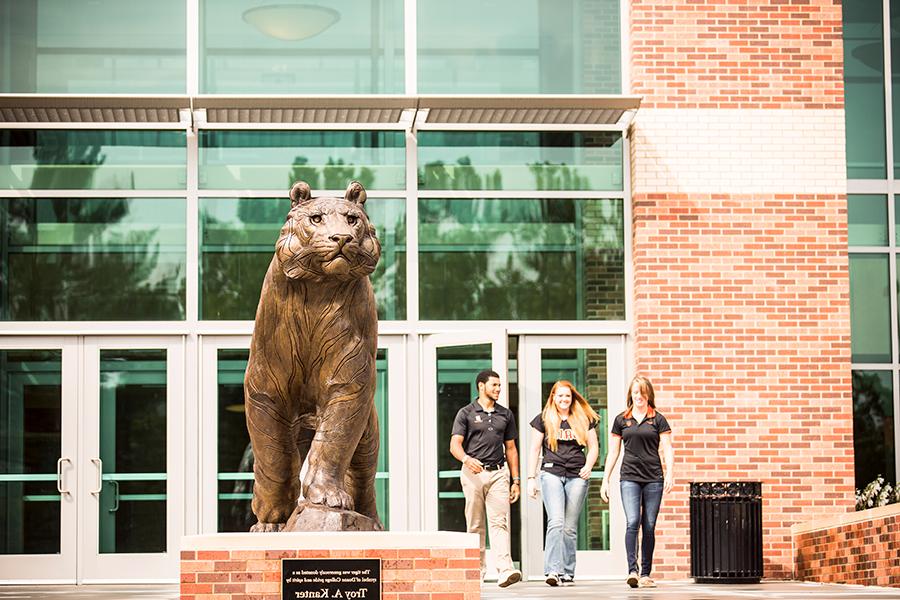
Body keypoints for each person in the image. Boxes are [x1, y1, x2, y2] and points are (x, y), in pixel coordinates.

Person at [449, 369, 522, 588]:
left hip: (499, 473)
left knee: (500, 522)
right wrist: (466, 459)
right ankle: (477, 570)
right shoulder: (466, 413)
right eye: (495, 385)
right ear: (481, 386)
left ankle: (505, 570)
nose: (499, 389)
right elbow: (455, 445)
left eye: (500, 386)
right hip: (473, 474)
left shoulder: (505, 414)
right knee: (475, 524)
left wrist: (516, 480)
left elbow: (511, 449)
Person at [600, 375, 674, 589]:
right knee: (633, 521)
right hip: (630, 477)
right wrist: (605, 480)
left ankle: (646, 573)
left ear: (648, 394)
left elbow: (668, 448)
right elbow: (613, 451)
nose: (638, 396)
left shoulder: (658, 419)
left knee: (649, 525)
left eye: (642, 392)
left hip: (654, 478)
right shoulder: (621, 419)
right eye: (635, 393)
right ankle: (632, 571)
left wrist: (670, 473)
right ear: (630, 395)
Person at [526, 380, 599, 587]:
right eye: (560, 396)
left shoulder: (583, 418)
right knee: (556, 521)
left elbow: (593, 447)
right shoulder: (543, 419)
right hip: (551, 473)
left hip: (577, 475)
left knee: (569, 527)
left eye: (567, 396)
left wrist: (589, 466)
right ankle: (552, 571)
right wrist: (531, 478)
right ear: (553, 397)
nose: (564, 399)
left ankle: (567, 571)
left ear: (572, 397)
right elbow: (534, 449)